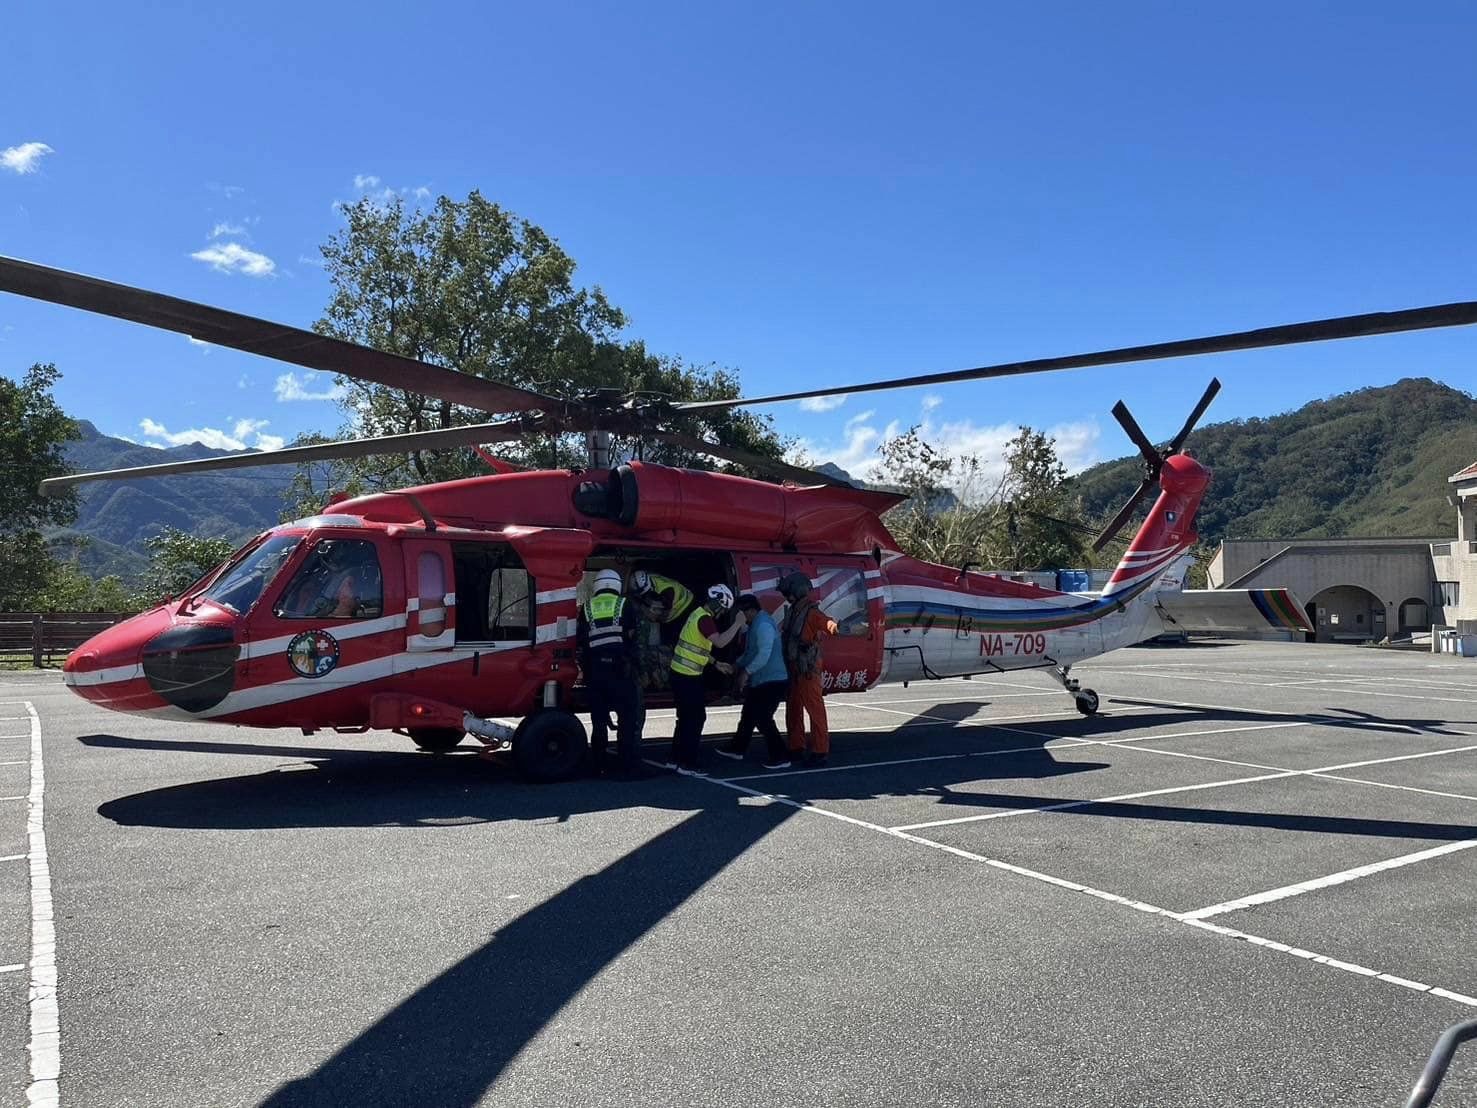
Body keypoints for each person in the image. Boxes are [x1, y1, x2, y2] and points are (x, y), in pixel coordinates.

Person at [667, 583, 747, 772]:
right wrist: (737, 624)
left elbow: (696, 646)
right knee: (695, 719)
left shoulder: (696, 614)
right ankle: (688, 763)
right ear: (718, 604)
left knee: (684, 718)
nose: (721, 613)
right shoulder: (705, 619)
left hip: (678, 674)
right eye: (722, 609)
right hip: (688, 677)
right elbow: (719, 642)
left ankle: (674, 758)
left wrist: (715, 663)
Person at [576, 569, 645, 777]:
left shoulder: (586, 608)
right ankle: (626, 766)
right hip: (620, 671)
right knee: (627, 719)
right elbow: (633, 637)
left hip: (596, 673)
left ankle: (598, 766)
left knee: (598, 722)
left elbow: (582, 642)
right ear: (616, 585)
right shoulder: (625, 605)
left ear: (597, 585)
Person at [714, 594, 791, 769]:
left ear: (748, 611)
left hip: (772, 681)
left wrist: (745, 673)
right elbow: (750, 652)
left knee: (763, 718)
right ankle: (737, 749)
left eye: (739, 614)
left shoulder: (763, 625)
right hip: (762, 680)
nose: (738, 618)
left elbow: (763, 654)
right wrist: (735, 666)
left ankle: (780, 756)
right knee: (748, 715)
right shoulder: (755, 624)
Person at [779, 572, 838, 767]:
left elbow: (827, 623)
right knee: (793, 708)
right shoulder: (794, 611)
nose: (786, 596)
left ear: (796, 591)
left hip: (807, 669)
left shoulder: (812, 612)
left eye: (788, 592)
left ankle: (820, 751)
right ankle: (796, 747)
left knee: (815, 709)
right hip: (794, 667)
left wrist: (836, 627)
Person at [630, 570, 696, 637]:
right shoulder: (650, 578)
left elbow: (664, 615)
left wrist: (651, 616)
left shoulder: (666, 592)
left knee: (676, 636)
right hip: (675, 599)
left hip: (684, 607)